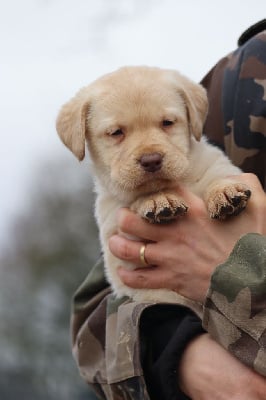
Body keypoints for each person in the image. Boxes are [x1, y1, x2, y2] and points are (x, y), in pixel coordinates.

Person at [71, 20, 266, 400]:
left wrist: (238, 270)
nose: (149, 152)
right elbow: (96, 314)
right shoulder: (244, 77)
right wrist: (182, 355)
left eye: (165, 124)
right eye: (117, 133)